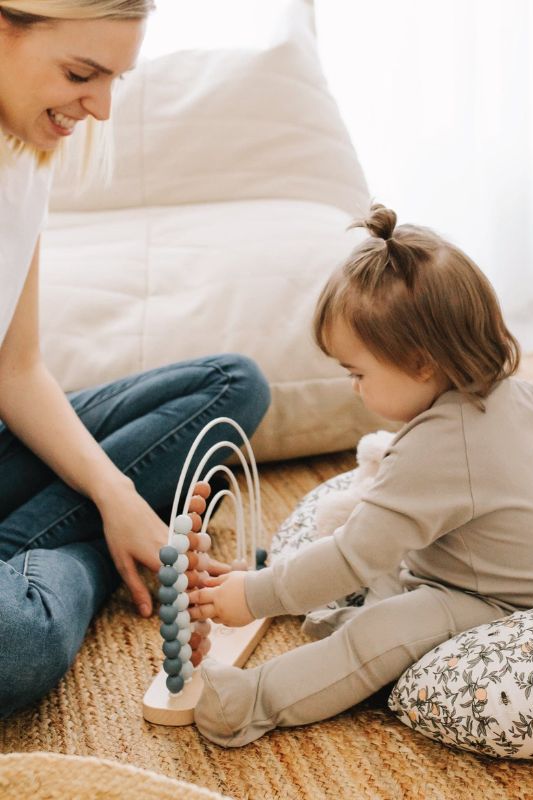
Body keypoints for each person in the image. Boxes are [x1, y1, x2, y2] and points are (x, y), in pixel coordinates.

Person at [189, 203, 533, 747]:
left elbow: (354, 557)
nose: (353, 386)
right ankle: (353, 618)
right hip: (461, 570)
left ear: (421, 363)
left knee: (377, 633)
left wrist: (255, 595)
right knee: (385, 559)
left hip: (501, 604)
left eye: (357, 372)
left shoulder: (437, 450)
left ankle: (253, 702)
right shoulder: (517, 393)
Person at [0, 0, 270, 718]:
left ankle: (73, 540)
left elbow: (16, 370)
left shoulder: (23, 160)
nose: (102, 107)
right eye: (82, 73)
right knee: (16, 642)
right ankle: (82, 561)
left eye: (115, 77)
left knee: (231, 387)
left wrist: (118, 495)